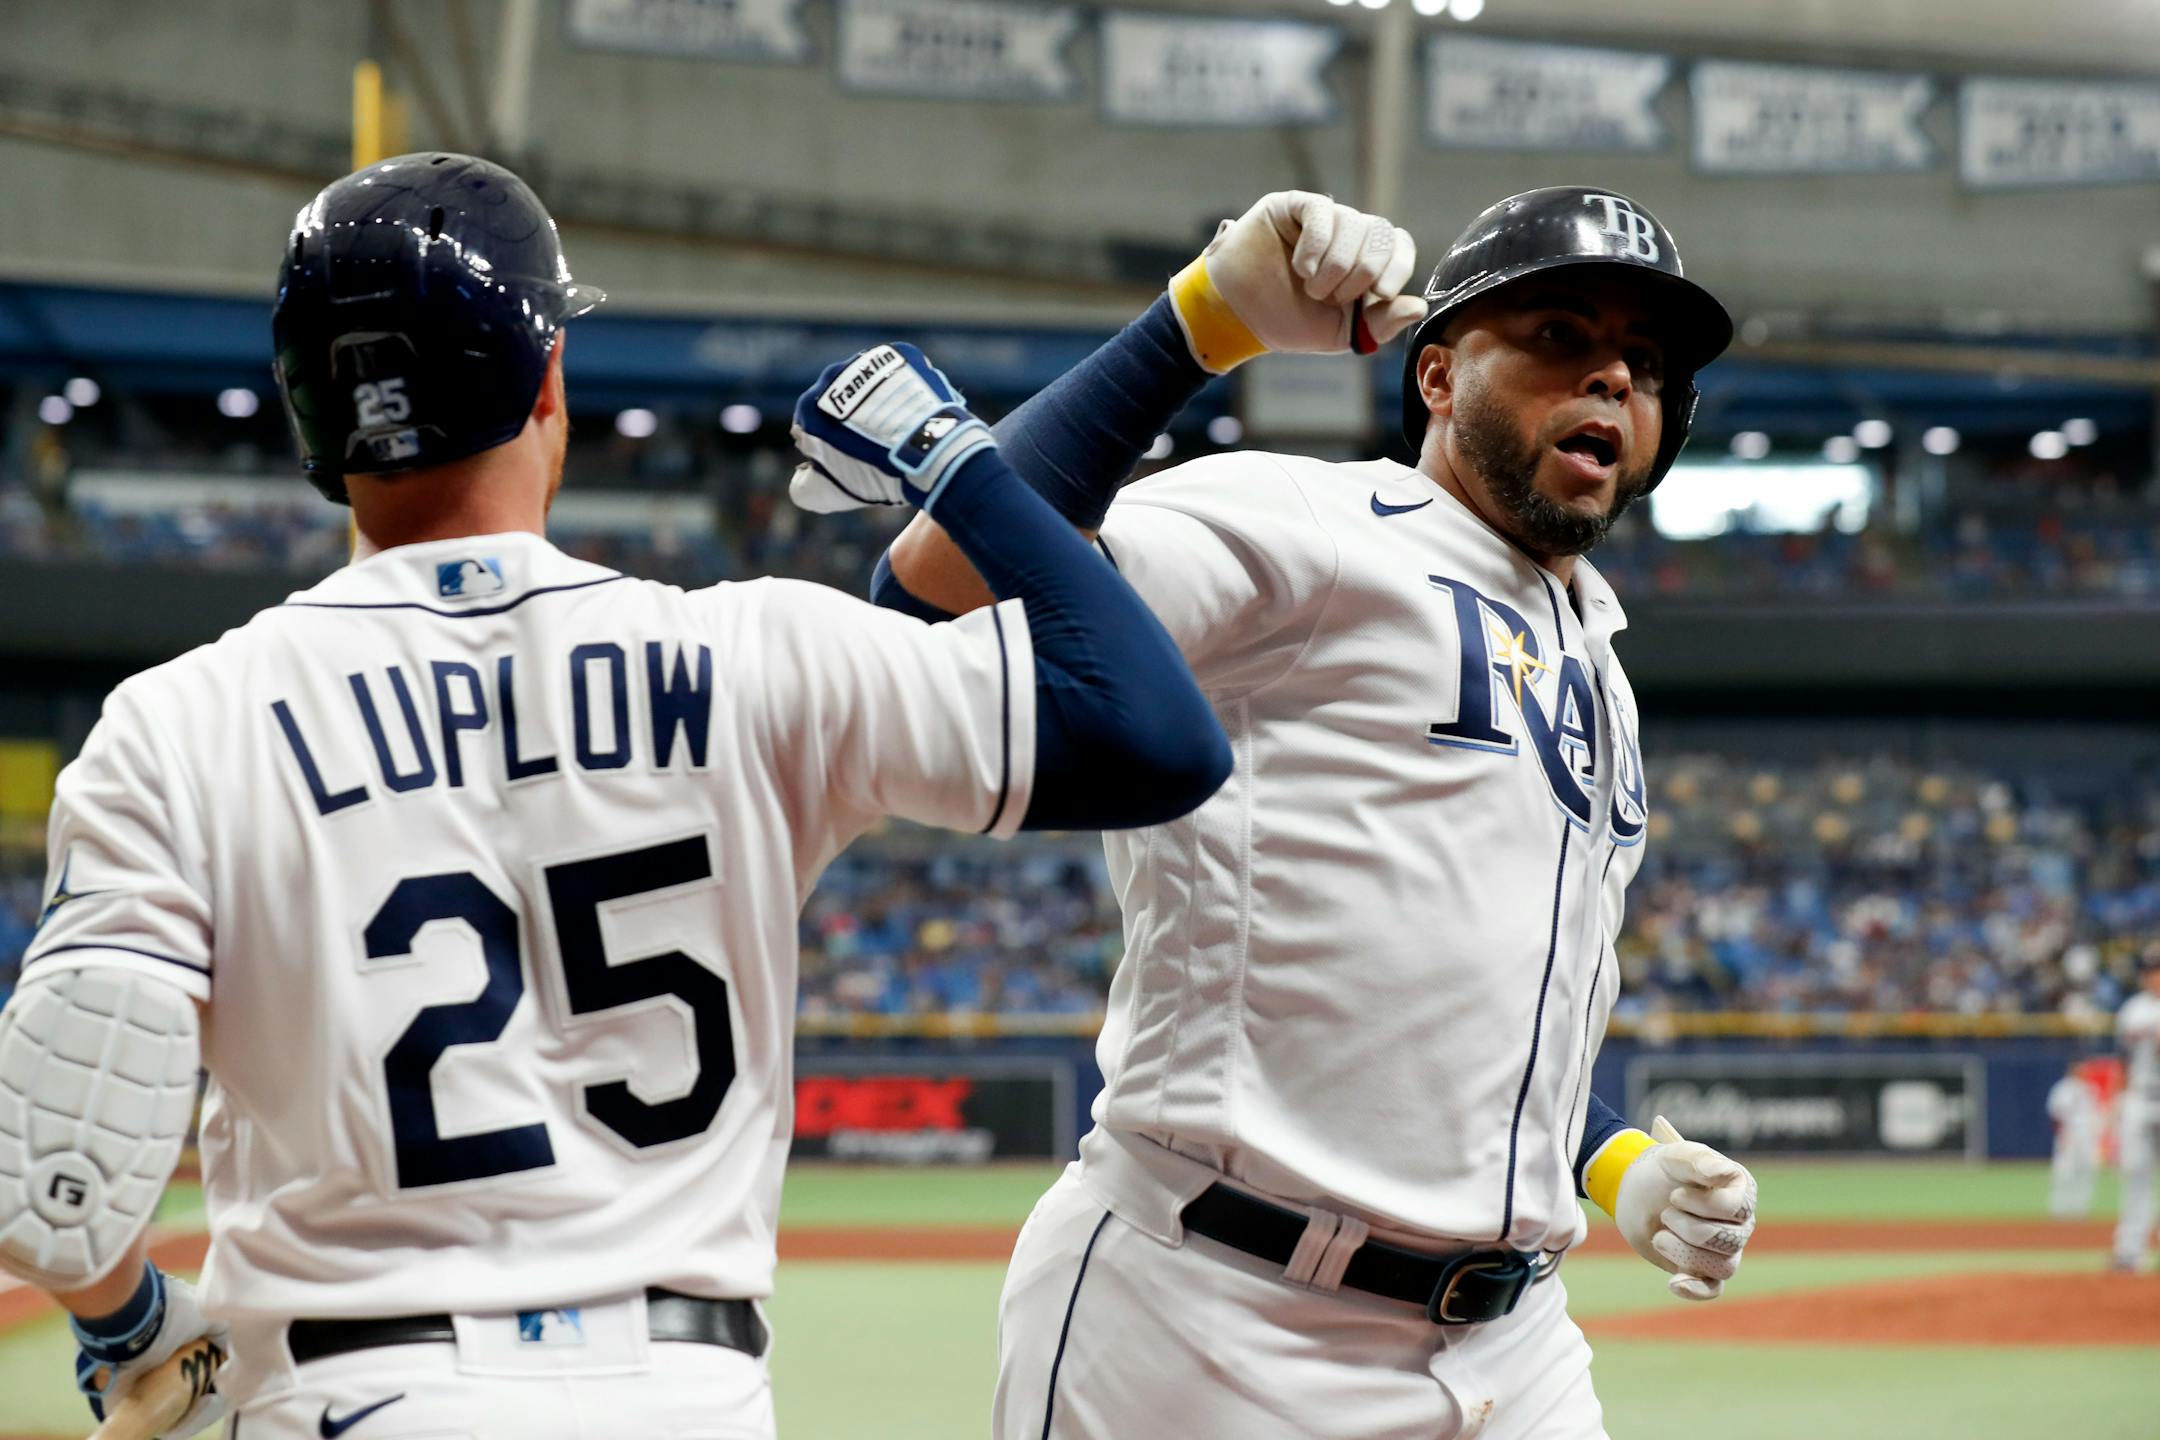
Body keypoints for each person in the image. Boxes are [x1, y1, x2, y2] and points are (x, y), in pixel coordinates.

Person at [0, 153, 1230, 1439]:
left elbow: (54, 1186)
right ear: (549, 384)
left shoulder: (179, 721)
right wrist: (952, 458)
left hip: (351, 1391)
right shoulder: (758, 650)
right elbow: (1154, 735)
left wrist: (127, 1322)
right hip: (686, 1395)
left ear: (308, 409)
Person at [819, 187, 1765, 1438]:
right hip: (1216, 1321)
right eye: (1556, 336)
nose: (1610, 379)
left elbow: (1448, 1005)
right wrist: (1199, 322)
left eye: (1644, 366)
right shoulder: (1319, 526)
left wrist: (1608, 1158)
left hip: (1517, 1343)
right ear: (1436, 375)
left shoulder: (1596, 654)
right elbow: (931, 603)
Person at [2111, 954, 2160, 1271]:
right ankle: (2129, 1252)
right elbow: (2122, 1057)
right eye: (2150, 971)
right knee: (2135, 1176)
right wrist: (2119, 1099)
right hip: (2139, 1097)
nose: (2154, 976)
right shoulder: (2132, 1010)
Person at [2046, 1059, 2105, 1218]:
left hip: (2087, 1134)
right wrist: (2062, 1134)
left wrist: (2097, 1134)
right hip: (2069, 1132)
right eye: (2079, 1069)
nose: (2082, 1072)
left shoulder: (2089, 1088)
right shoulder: (2063, 1088)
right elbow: (2055, 1113)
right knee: (2064, 1170)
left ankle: (2081, 1208)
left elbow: (2096, 1114)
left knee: (2087, 1169)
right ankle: (2059, 1208)